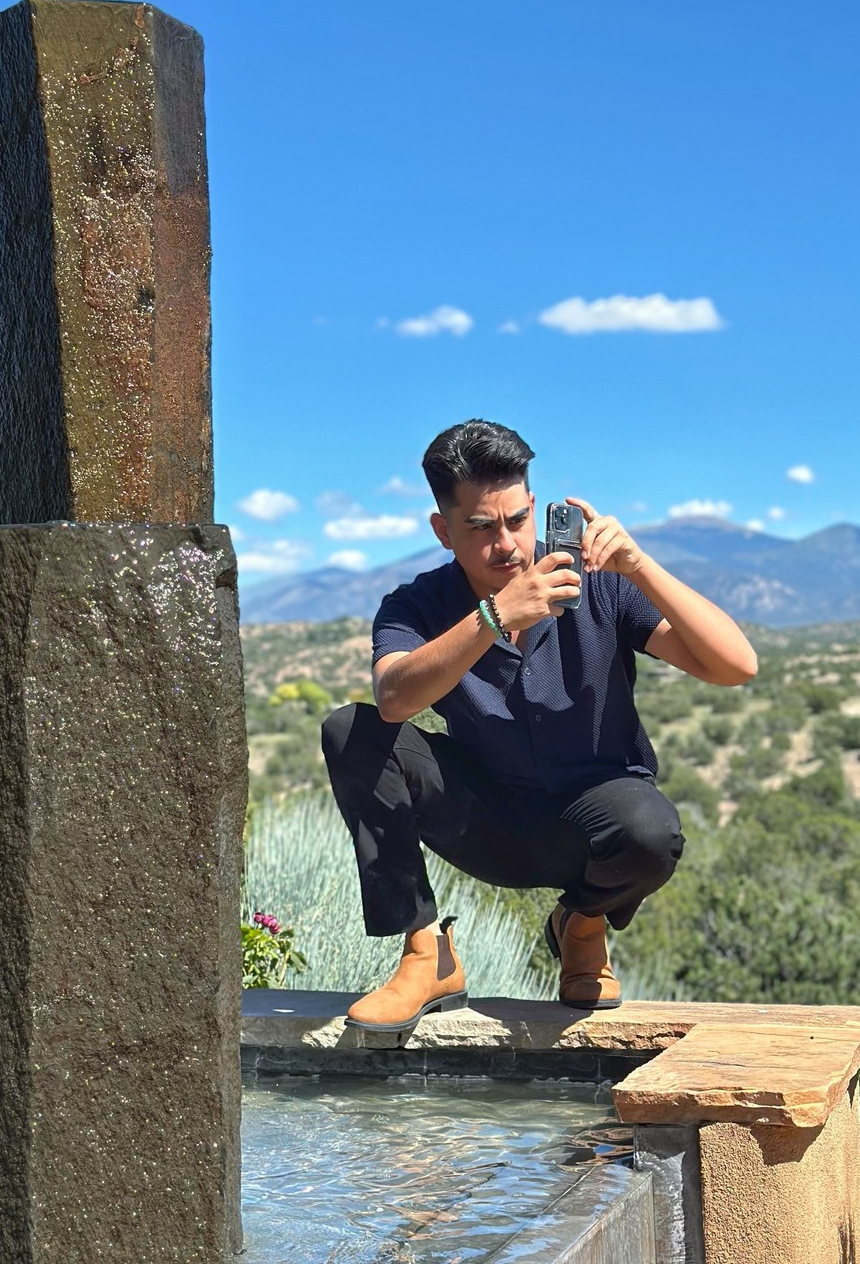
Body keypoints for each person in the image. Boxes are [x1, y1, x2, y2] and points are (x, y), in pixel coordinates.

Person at [320, 418, 758, 1030]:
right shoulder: (416, 604)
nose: (508, 545)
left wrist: (639, 566)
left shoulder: (600, 586)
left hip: (591, 828)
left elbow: (736, 664)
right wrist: (493, 619)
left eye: (517, 520)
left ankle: (581, 925)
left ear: (534, 506)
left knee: (651, 831)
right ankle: (426, 955)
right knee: (352, 729)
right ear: (443, 531)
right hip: (486, 822)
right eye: (480, 527)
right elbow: (393, 697)